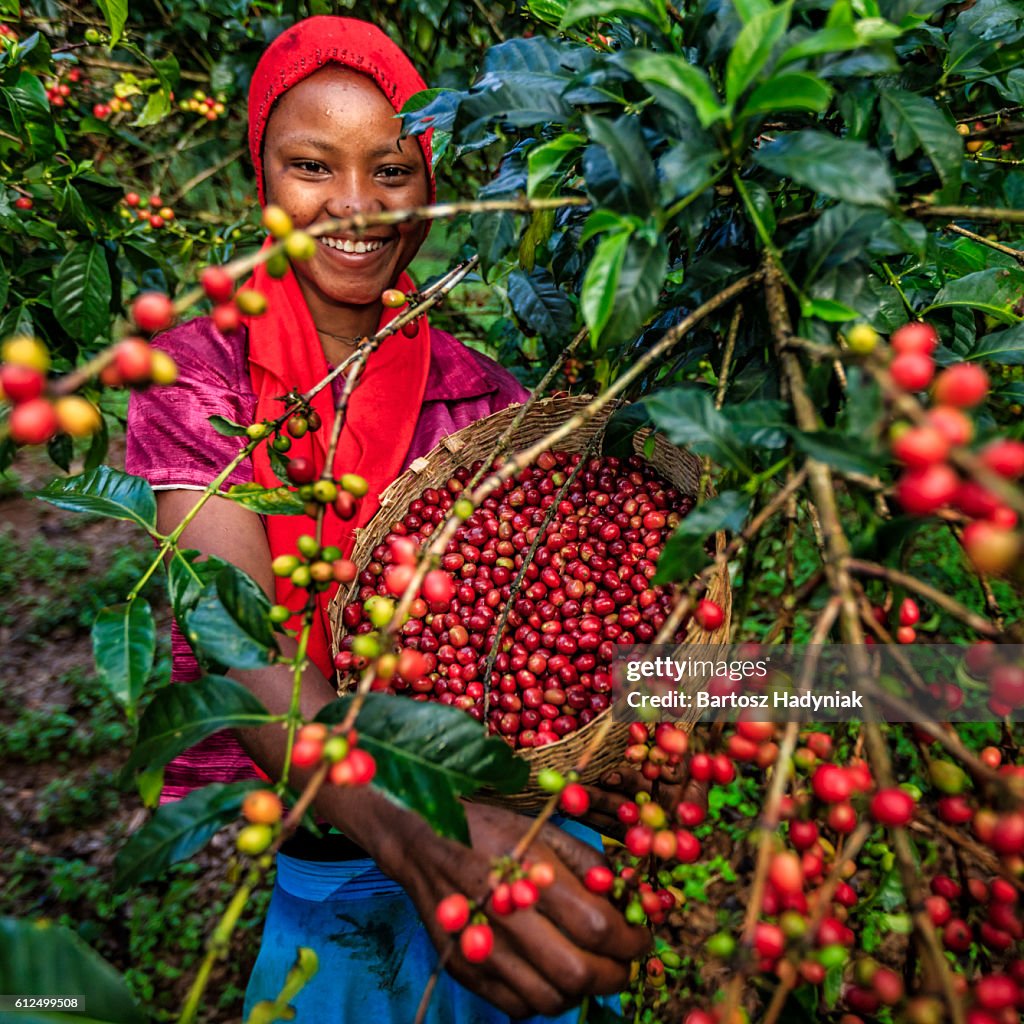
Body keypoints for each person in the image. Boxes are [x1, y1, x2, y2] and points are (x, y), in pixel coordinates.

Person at [125, 16, 648, 1023]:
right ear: (261, 178)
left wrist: (819, 687)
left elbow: (560, 633)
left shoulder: (485, 399)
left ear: (433, 183)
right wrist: (414, 833)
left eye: (395, 170)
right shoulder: (197, 372)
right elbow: (241, 640)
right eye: (312, 166)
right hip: (339, 838)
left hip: (508, 821)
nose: (355, 206)